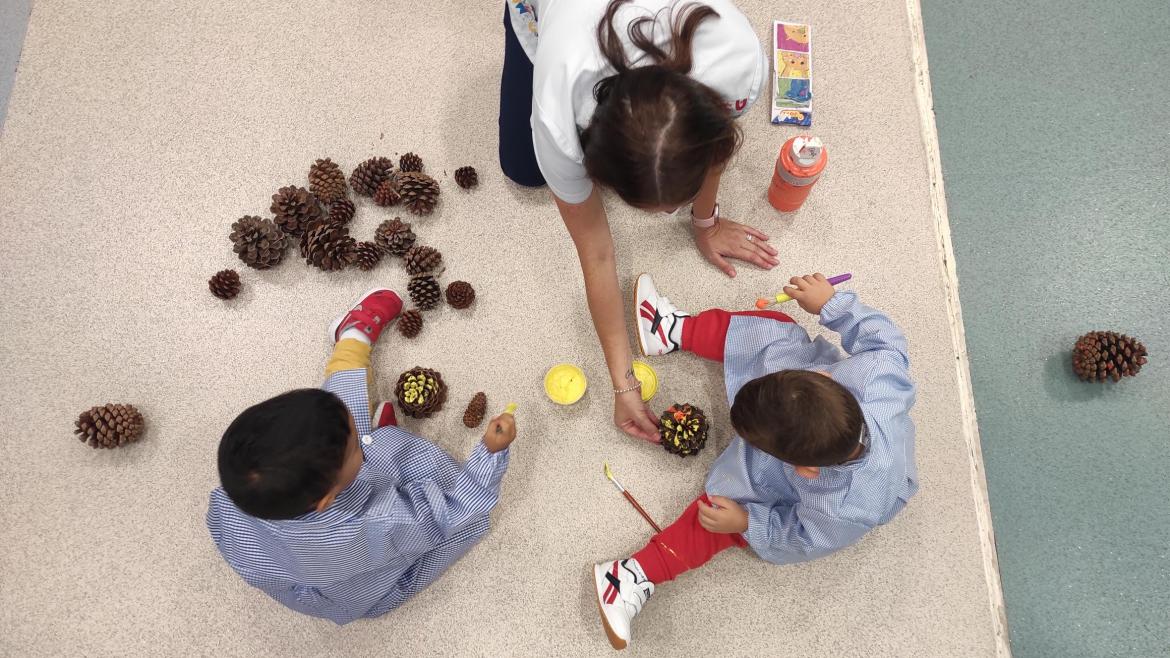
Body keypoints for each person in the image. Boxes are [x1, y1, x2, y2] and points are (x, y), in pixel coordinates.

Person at [500, 0, 779, 442]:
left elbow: (718, 146)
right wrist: (622, 382)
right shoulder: (559, 115)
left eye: (675, 203)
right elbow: (596, 250)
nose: (670, 214)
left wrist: (706, 220)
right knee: (522, 168)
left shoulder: (737, 60)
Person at [592, 273, 918, 649]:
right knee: (776, 330)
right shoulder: (880, 374)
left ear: (804, 471)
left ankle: (632, 576)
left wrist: (748, 522)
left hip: (827, 490)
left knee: (721, 516)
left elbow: (801, 539)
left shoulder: (841, 508)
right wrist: (830, 303)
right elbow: (884, 337)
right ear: (824, 378)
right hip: (814, 410)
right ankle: (671, 330)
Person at [206, 289, 517, 625]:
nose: (357, 432)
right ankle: (362, 382)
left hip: (293, 567)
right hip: (359, 589)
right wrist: (490, 453)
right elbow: (451, 513)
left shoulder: (241, 491)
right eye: (356, 445)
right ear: (326, 499)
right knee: (466, 525)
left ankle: (350, 339)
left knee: (335, 429)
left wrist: (351, 439)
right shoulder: (375, 526)